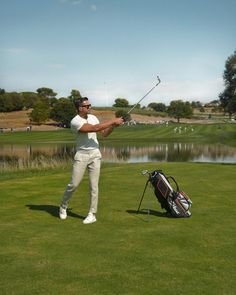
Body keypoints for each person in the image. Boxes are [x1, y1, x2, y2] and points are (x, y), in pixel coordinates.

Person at [59, 97, 124, 224]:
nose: (89, 107)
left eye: (90, 105)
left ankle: (92, 214)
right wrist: (112, 121)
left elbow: (103, 133)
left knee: (94, 186)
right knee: (74, 184)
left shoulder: (93, 117)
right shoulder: (75, 121)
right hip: (82, 155)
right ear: (80, 108)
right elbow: (93, 129)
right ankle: (63, 206)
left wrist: (113, 126)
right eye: (87, 106)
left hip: (95, 154)